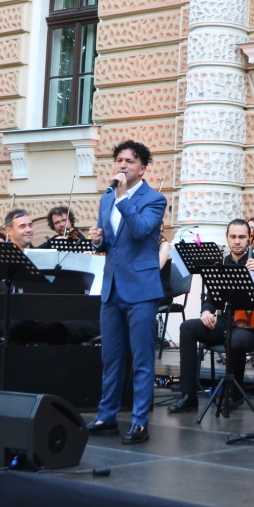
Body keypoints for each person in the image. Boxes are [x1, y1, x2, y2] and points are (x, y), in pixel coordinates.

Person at [85, 140, 168, 443]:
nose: (121, 165)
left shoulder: (155, 199)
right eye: (118, 160)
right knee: (111, 358)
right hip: (112, 287)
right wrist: (97, 240)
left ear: (143, 168)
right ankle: (106, 416)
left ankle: (140, 421)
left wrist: (122, 197)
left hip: (142, 289)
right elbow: (109, 242)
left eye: (129, 161)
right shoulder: (106, 199)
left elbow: (141, 230)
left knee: (142, 359)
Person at [169, 218, 254, 414]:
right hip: (227, 321)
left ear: (249, 239)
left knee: (235, 342)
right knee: (188, 328)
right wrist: (206, 311)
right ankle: (188, 395)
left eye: (242, 237)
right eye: (233, 237)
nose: (237, 241)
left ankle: (235, 393)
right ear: (227, 238)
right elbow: (211, 299)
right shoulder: (222, 263)